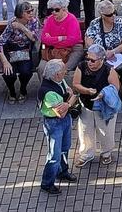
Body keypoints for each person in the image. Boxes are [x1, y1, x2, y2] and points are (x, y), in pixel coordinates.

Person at [72, 43, 120, 167]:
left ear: (101, 59)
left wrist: (103, 94)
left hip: (104, 107)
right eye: (87, 58)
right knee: (84, 131)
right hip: (86, 105)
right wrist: (86, 91)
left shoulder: (109, 71)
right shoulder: (81, 67)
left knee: (106, 131)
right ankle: (86, 154)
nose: (89, 62)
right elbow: (76, 84)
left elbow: (115, 89)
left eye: (92, 60)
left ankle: (106, 153)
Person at [38, 58, 80, 193]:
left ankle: (63, 171)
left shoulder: (58, 80)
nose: (66, 72)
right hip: (54, 123)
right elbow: (62, 111)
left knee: (65, 147)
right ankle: (47, 183)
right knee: (54, 156)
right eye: (63, 71)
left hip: (65, 120)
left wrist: (67, 102)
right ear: (56, 74)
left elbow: (70, 93)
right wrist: (69, 103)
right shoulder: (48, 92)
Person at [84, 0, 122, 109]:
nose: (113, 16)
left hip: (119, 55)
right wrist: (100, 53)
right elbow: (88, 41)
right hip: (101, 57)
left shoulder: (120, 23)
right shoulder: (94, 24)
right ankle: (103, 97)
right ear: (102, 15)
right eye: (109, 14)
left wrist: (113, 51)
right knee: (97, 70)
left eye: (114, 12)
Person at [0, 1, 41, 102]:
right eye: (28, 12)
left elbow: (34, 38)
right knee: (8, 73)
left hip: (25, 49)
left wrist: (22, 28)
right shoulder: (12, 23)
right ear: (21, 14)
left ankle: (23, 89)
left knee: (26, 72)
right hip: (11, 50)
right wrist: (5, 62)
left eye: (32, 10)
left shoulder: (33, 21)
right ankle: (11, 91)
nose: (31, 13)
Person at [41, 0, 84, 72]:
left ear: (64, 9)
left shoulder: (72, 19)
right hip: (52, 50)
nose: (53, 12)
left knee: (62, 70)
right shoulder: (49, 19)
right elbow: (44, 39)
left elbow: (72, 40)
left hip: (72, 49)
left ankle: (60, 83)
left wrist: (52, 40)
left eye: (57, 10)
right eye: (51, 10)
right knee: (41, 69)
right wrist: (60, 38)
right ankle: (45, 84)